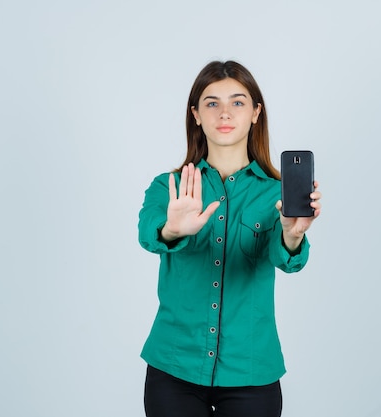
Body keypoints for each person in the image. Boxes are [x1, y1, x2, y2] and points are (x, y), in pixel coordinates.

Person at [137, 60, 322, 417]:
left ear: (255, 113)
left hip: (251, 371)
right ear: (196, 114)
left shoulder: (276, 195)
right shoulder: (169, 187)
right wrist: (172, 230)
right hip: (174, 366)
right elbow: (148, 233)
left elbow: (289, 260)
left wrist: (290, 235)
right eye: (212, 103)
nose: (224, 112)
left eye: (238, 102)